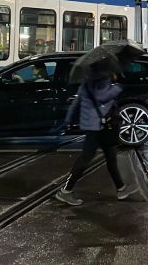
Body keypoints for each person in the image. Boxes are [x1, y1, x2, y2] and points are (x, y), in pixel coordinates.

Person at [55, 70, 137, 206]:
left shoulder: (87, 82)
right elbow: (103, 97)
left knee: (111, 157)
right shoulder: (102, 81)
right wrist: (118, 86)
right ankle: (65, 190)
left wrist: (67, 120)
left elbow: (76, 103)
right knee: (85, 159)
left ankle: (121, 189)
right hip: (97, 127)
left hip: (100, 127)